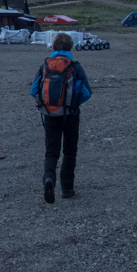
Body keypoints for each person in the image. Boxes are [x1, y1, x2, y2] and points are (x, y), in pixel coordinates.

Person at [29, 32, 92, 203]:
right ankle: (67, 189)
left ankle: (49, 178)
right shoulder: (75, 66)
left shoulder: (45, 66)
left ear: (54, 47)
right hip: (71, 115)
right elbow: (87, 93)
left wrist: (46, 105)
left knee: (51, 151)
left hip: (50, 115)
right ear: (70, 47)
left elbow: (33, 91)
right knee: (70, 152)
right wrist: (74, 103)